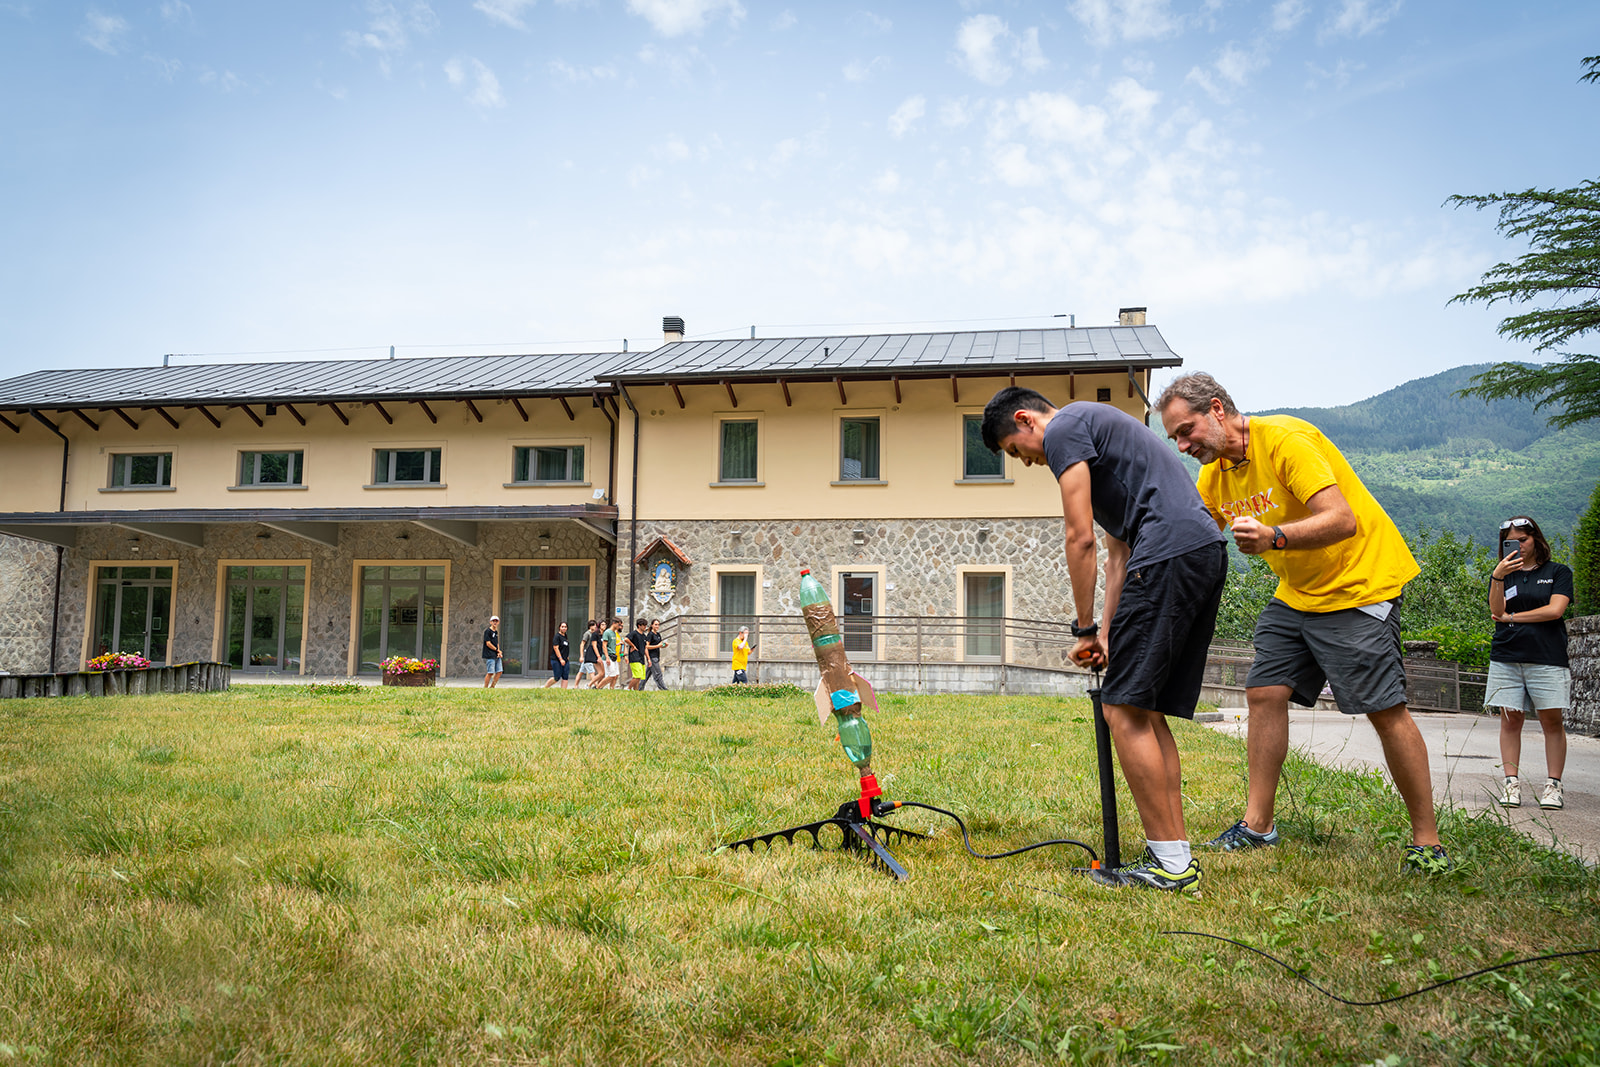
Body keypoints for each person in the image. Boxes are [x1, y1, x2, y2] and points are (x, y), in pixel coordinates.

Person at [1157, 372, 1448, 874]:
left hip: (1358, 585)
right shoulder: (1216, 476)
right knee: (1264, 691)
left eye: (1187, 431)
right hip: (1297, 594)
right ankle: (1258, 825)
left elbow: (1342, 519)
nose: (1183, 445)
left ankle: (1428, 842)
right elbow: (1193, 535)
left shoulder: (1285, 441)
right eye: (1174, 438)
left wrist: (1274, 537)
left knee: (1384, 710)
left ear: (1218, 409)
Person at [982, 385, 1227, 892]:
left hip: (1167, 554)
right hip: (1199, 550)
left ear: (1026, 420)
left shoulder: (1066, 428)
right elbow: (1118, 553)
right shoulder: (1103, 442)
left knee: (1122, 709)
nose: (1025, 462)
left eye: (1014, 450)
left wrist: (1083, 628)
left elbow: (1080, 539)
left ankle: (1170, 866)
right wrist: (1107, 633)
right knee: (1146, 710)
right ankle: (1174, 853)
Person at [1488, 515, 1573, 810]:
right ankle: (1511, 784)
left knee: (1551, 722)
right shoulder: (1503, 575)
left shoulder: (1558, 572)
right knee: (1510, 721)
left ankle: (1553, 786)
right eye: (1511, 541)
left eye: (1523, 540)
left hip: (1547, 656)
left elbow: (1555, 610)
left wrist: (1512, 617)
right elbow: (1496, 609)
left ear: (1536, 538)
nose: (1519, 546)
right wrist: (1498, 577)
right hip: (1507, 656)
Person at [543, 621, 570, 689]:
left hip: (565, 660)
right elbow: (556, 648)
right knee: (557, 677)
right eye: (562, 627)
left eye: (565, 627)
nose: (564, 628)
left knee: (565, 676)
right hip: (557, 660)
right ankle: (545, 687)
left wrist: (566, 656)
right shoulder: (557, 636)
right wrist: (561, 659)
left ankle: (563, 691)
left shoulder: (565, 636)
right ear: (559, 628)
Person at [575, 619, 601, 689]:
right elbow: (582, 644)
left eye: (595, 625)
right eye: (593, 625)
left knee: (581, 671)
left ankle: (576, 686)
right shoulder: (587, 634)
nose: (595, 627)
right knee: (592, 672)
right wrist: (581, 656)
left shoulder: (595, 634)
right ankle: (596, 686)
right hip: (587, 655)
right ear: (590, 626)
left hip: (590, 655)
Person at [626, 618, 650, 690]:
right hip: (634, 657)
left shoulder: (644, 636)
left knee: (639, 677)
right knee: (637, 676)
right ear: (639, 625)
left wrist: (648, 659)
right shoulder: (634, 633)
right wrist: (633, 646)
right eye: (644, 625)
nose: (645, 627)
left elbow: (645, 648)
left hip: (641, 657)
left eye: (646, 625)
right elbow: (626, 639)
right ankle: (628, 688)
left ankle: (636, 691)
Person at [645, 619, 669, 690]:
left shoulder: (658, 634)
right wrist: (657, 646)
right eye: (655, 624)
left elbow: (660, 645)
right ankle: (664, 689)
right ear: (652, 625)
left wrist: (664, 645)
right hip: (652, 657)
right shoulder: (650, 634)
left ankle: (639, 688)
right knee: (658, 674)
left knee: (646, 675)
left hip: (657, 656)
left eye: (658, 625)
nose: (657, 626)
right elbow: (646, 646)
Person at [482, 614, 503, 688]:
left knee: (499, 671)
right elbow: (488, 643)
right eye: (493, 621)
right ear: (490, 622)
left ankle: (492, 687)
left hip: (496, 655)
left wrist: (499, 651)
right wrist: (496, 650)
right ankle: (485, 688)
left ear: (498, 622)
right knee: (490, 672)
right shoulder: (487, 631)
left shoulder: (496, 632)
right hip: (490, 655)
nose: (495, 622)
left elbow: (496, 643)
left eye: (496, 621)